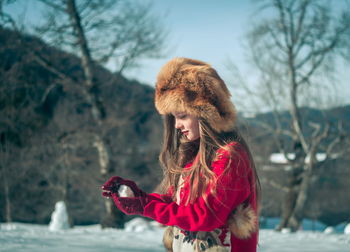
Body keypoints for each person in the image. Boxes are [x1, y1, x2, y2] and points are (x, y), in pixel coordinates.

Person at [101, 57, 261, 252]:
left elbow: (204, 216)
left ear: (206, 113)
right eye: (174, 118)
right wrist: (137, 198)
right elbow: (174, 205)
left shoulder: (230, 156)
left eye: (183, 116)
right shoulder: (193, 156)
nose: (177, 125)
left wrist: (144, 206)